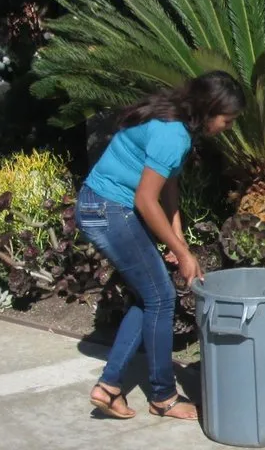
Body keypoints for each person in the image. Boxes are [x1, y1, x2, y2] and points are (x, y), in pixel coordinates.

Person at [75, 71, 245, 421]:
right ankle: (163, 396)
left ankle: (108, 388)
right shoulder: (174, 136)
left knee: (149, 296)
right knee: (162, 298)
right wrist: (183, 254)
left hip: (102, 205)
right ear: (209, 110)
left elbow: (168, 187)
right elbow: (145, 200)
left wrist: (178, 239)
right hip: (108, 209)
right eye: (227, 121)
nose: (228, 128)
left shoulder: (172, 118)